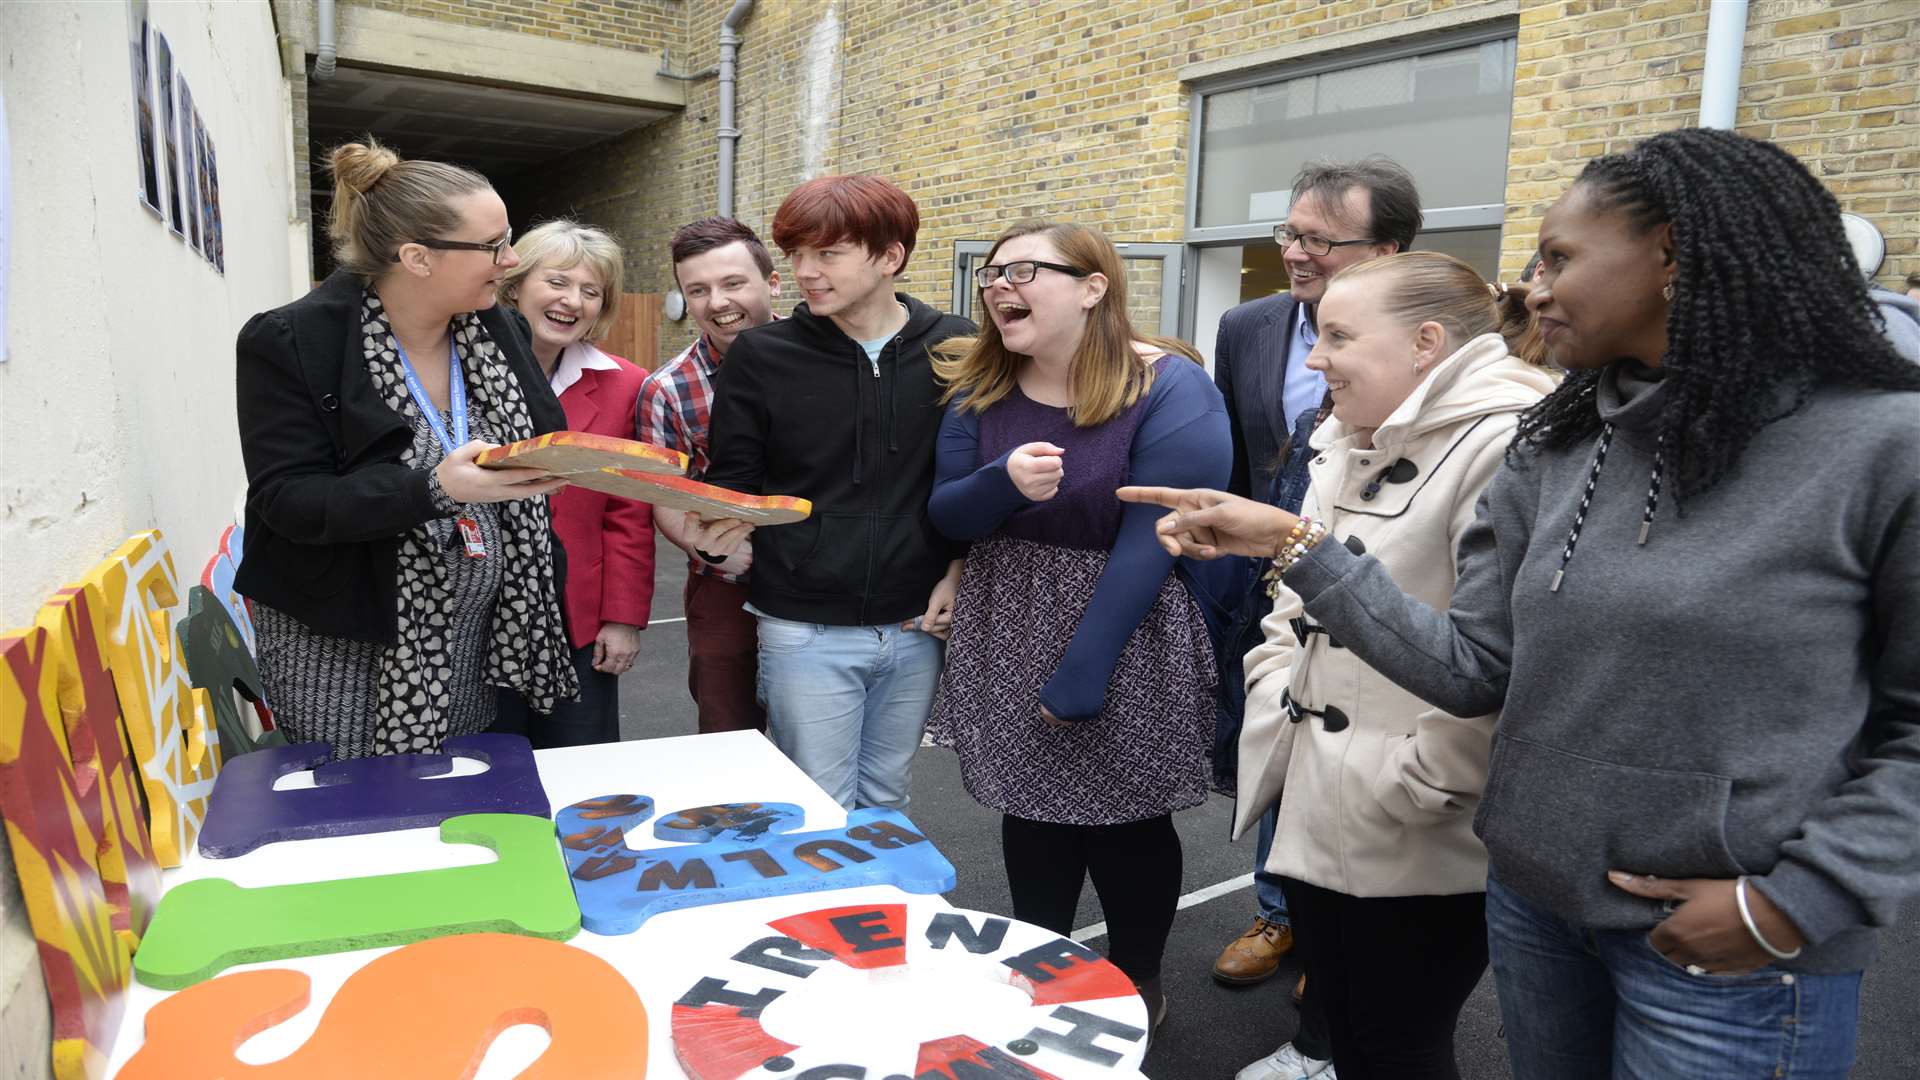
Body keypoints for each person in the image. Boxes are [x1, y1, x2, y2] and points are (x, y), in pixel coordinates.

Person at [1123, 128, 1920, 1080]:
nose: (1531, 290)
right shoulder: (1562, 442)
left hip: (1735, 945)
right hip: (1535, 907)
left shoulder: (1883, 445)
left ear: (1673, 254)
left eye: (1560, 257)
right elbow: (1471, 668)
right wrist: (1293, 547)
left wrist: (1804, 897)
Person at [1230, 252, 1554, 1080]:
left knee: (1399, 1044)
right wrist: (1275, 688)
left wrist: (1430, 778)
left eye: (1338, 335)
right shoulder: (1344, 434)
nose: (1312, 357)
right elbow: (1291, 602)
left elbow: (1507, 648)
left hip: (1413, 817)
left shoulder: (1509, 440)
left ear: (1426, 343)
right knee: (1337, 1018)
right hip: (1317, 791)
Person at [924, 221, 1230, 1029]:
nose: (997, 285)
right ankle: (1041, 972)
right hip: (1008, 617)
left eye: (1023, 270)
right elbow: (948, 516)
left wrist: (1085, 668)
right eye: (990, 273)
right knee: (1031, 814)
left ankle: (1136, 981)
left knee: (1128, 821)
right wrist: (1001, 482)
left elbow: (1156, 537)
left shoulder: (1169, 386)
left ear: (1094, 287)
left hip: (1125, 623)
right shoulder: (978, 385)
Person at [234, 139, 575, 758]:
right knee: (356, 817)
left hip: (472, 638)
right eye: (493, 245)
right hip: (343, 646)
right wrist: (433, 490)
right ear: (417, 257)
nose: (512, 258)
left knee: (450, 804)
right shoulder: (292, 340)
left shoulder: (500, 328)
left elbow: (542, 436)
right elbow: (288, 500)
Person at [1211, 157, 1424, 1080]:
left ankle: (1337, 947)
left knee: (1351, 754)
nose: (1293, 254)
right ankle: (1280, 913)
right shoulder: (1248, 326)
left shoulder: (1431, 344)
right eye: (1287, 235)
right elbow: (1236, 454)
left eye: (1316, 241)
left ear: (1386, 251)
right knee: (1278, 734)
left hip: (1379, 584)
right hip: (1267, 581)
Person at [693, 176, 974, 810]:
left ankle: (880, 912)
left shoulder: (956, 346)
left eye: (828, 253)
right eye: (796, 254)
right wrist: (714, 528)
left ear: (890, 257)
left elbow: (968, 476)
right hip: (803, 624)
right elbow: (731, 481)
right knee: (818, 804)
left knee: (886, 798)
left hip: (915, 622)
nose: (804, 272)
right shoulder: (762, 355)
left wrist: (957, 569)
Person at [493, 219, 654, 747]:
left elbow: (629, 512)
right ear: (514, 284)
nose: (573, 301)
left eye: (591, 291)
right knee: (490, 776)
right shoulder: (459, 370)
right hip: (480, 620)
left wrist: (623, 618)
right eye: (558, 282)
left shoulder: (624, 384)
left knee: (585, 782)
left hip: (578, 621)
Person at [638, 218, 782, 734]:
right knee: (729, 737)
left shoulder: (830, 359)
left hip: (828, 584)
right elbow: (665, 496)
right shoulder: (669, 389)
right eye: (697, 290)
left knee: (815, 746)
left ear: (773, 283)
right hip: (727, 584)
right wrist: (714, 550)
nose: (717, 302)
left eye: (733, 283)